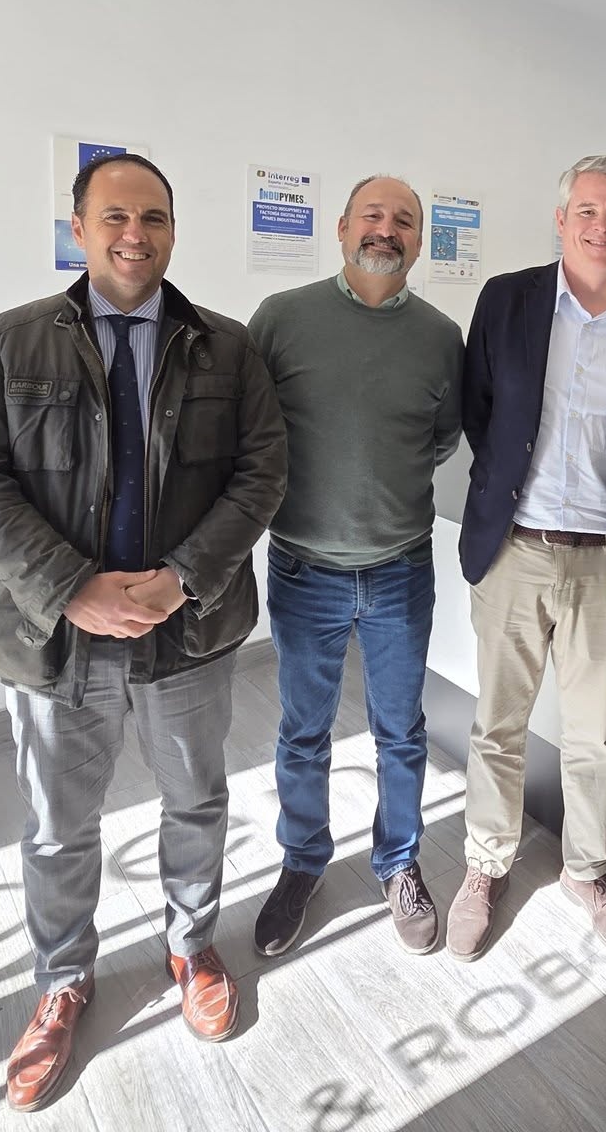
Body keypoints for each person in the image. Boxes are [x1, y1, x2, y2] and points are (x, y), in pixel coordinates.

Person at [0, 152, 286, 1111]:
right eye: (116, 217)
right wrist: (72, 588)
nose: (136, 235)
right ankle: (63, 981)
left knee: (197, 801)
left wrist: (184, 579)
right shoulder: (11, 343)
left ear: (173, 231)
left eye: (155, 218)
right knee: (59, 828)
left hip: (189, 631)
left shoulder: (226, 348)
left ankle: (192, 946)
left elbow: (263, 473)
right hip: (57, 638)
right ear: (81, 229)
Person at [444, 154, 606, 961]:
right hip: (514, 549)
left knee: (596, 738)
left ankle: (587, 871)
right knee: (498, 724)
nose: (602, 226)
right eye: (587, 211)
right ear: (561, 220)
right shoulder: (508, 299)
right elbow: (482, 411)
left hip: (605, 559)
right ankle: (486, 865)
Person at [246, 175, 464, 958]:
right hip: (304, 569)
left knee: (400, 732)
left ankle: (398, 861)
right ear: (341, 228)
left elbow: (441, 438)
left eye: (404, 220)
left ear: (418, 242)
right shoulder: (282, 319)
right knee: (303, 732)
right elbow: (249, 428)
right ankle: (302, 862)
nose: (386, 229)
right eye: (372, 215)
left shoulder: (440, 337)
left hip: (401, 567)